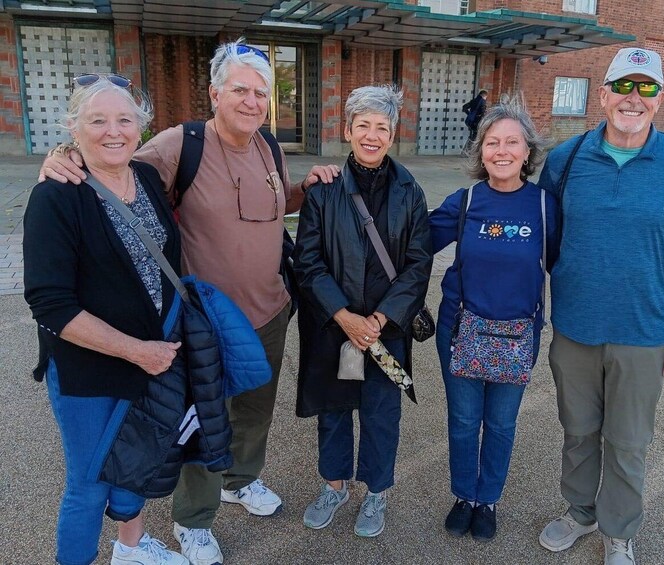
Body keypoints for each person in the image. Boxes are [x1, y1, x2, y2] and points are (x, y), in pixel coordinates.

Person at [38, 38, 339, 565]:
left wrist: (306, 187)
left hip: (268, 308)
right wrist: (62, 156)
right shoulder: (181, 144)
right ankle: (193, 520)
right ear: (215, 93)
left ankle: (241, 481)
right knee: (204, 419)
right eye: (239, 90)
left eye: (259, 92)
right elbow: (112, 158)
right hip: (207, 323)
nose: (250, 100)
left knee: (252, 412)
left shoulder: (268, 145)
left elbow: (274, 204)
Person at [536, 48, 664, 564]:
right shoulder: (566, 161)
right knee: (579, 431)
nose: (633, 100)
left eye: (647, 89)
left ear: (659, 99)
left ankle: (619, 529)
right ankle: (579, 512)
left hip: (644, 332)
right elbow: (545, 244)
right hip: (576, 328)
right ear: (604, 93)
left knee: (629, 440)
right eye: (624, 86)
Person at [24, 75, 187, 564]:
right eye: (97, 120)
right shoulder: (56, 196)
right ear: (73, 128)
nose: (112, 131)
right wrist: (136, 350)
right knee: (89, 483)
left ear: (141, 126)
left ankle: (132, 549)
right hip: (89, 368)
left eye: (124, 119)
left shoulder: (149, 180)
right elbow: (51, 304)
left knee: (134, 462)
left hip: (152, 359)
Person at [293, 85, 433, 538]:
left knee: (381, 411)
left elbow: (418, 263)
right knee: (335, 409)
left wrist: (379, 319)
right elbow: (308, 261)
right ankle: (333, 486)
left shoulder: (410, 191)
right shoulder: (324, 191)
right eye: (364, 125)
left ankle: (375, 494)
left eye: (383, 128)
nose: (372, 136)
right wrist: (344, 316)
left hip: (385, 331)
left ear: (393, 135)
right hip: (337, 330)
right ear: (348, 130)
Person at [429, 99, 558, 541]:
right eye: (491, 142)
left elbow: (568, 265)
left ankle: (488, 501)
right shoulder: (465, 201)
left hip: (518, 334)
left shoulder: (544, 207)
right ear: (480, 150)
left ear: (527, 152)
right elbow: (412, 242)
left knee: (501, 424)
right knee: (464, 421)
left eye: (511, 142)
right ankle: (465, 495)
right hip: (461, 329)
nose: (501, 150)